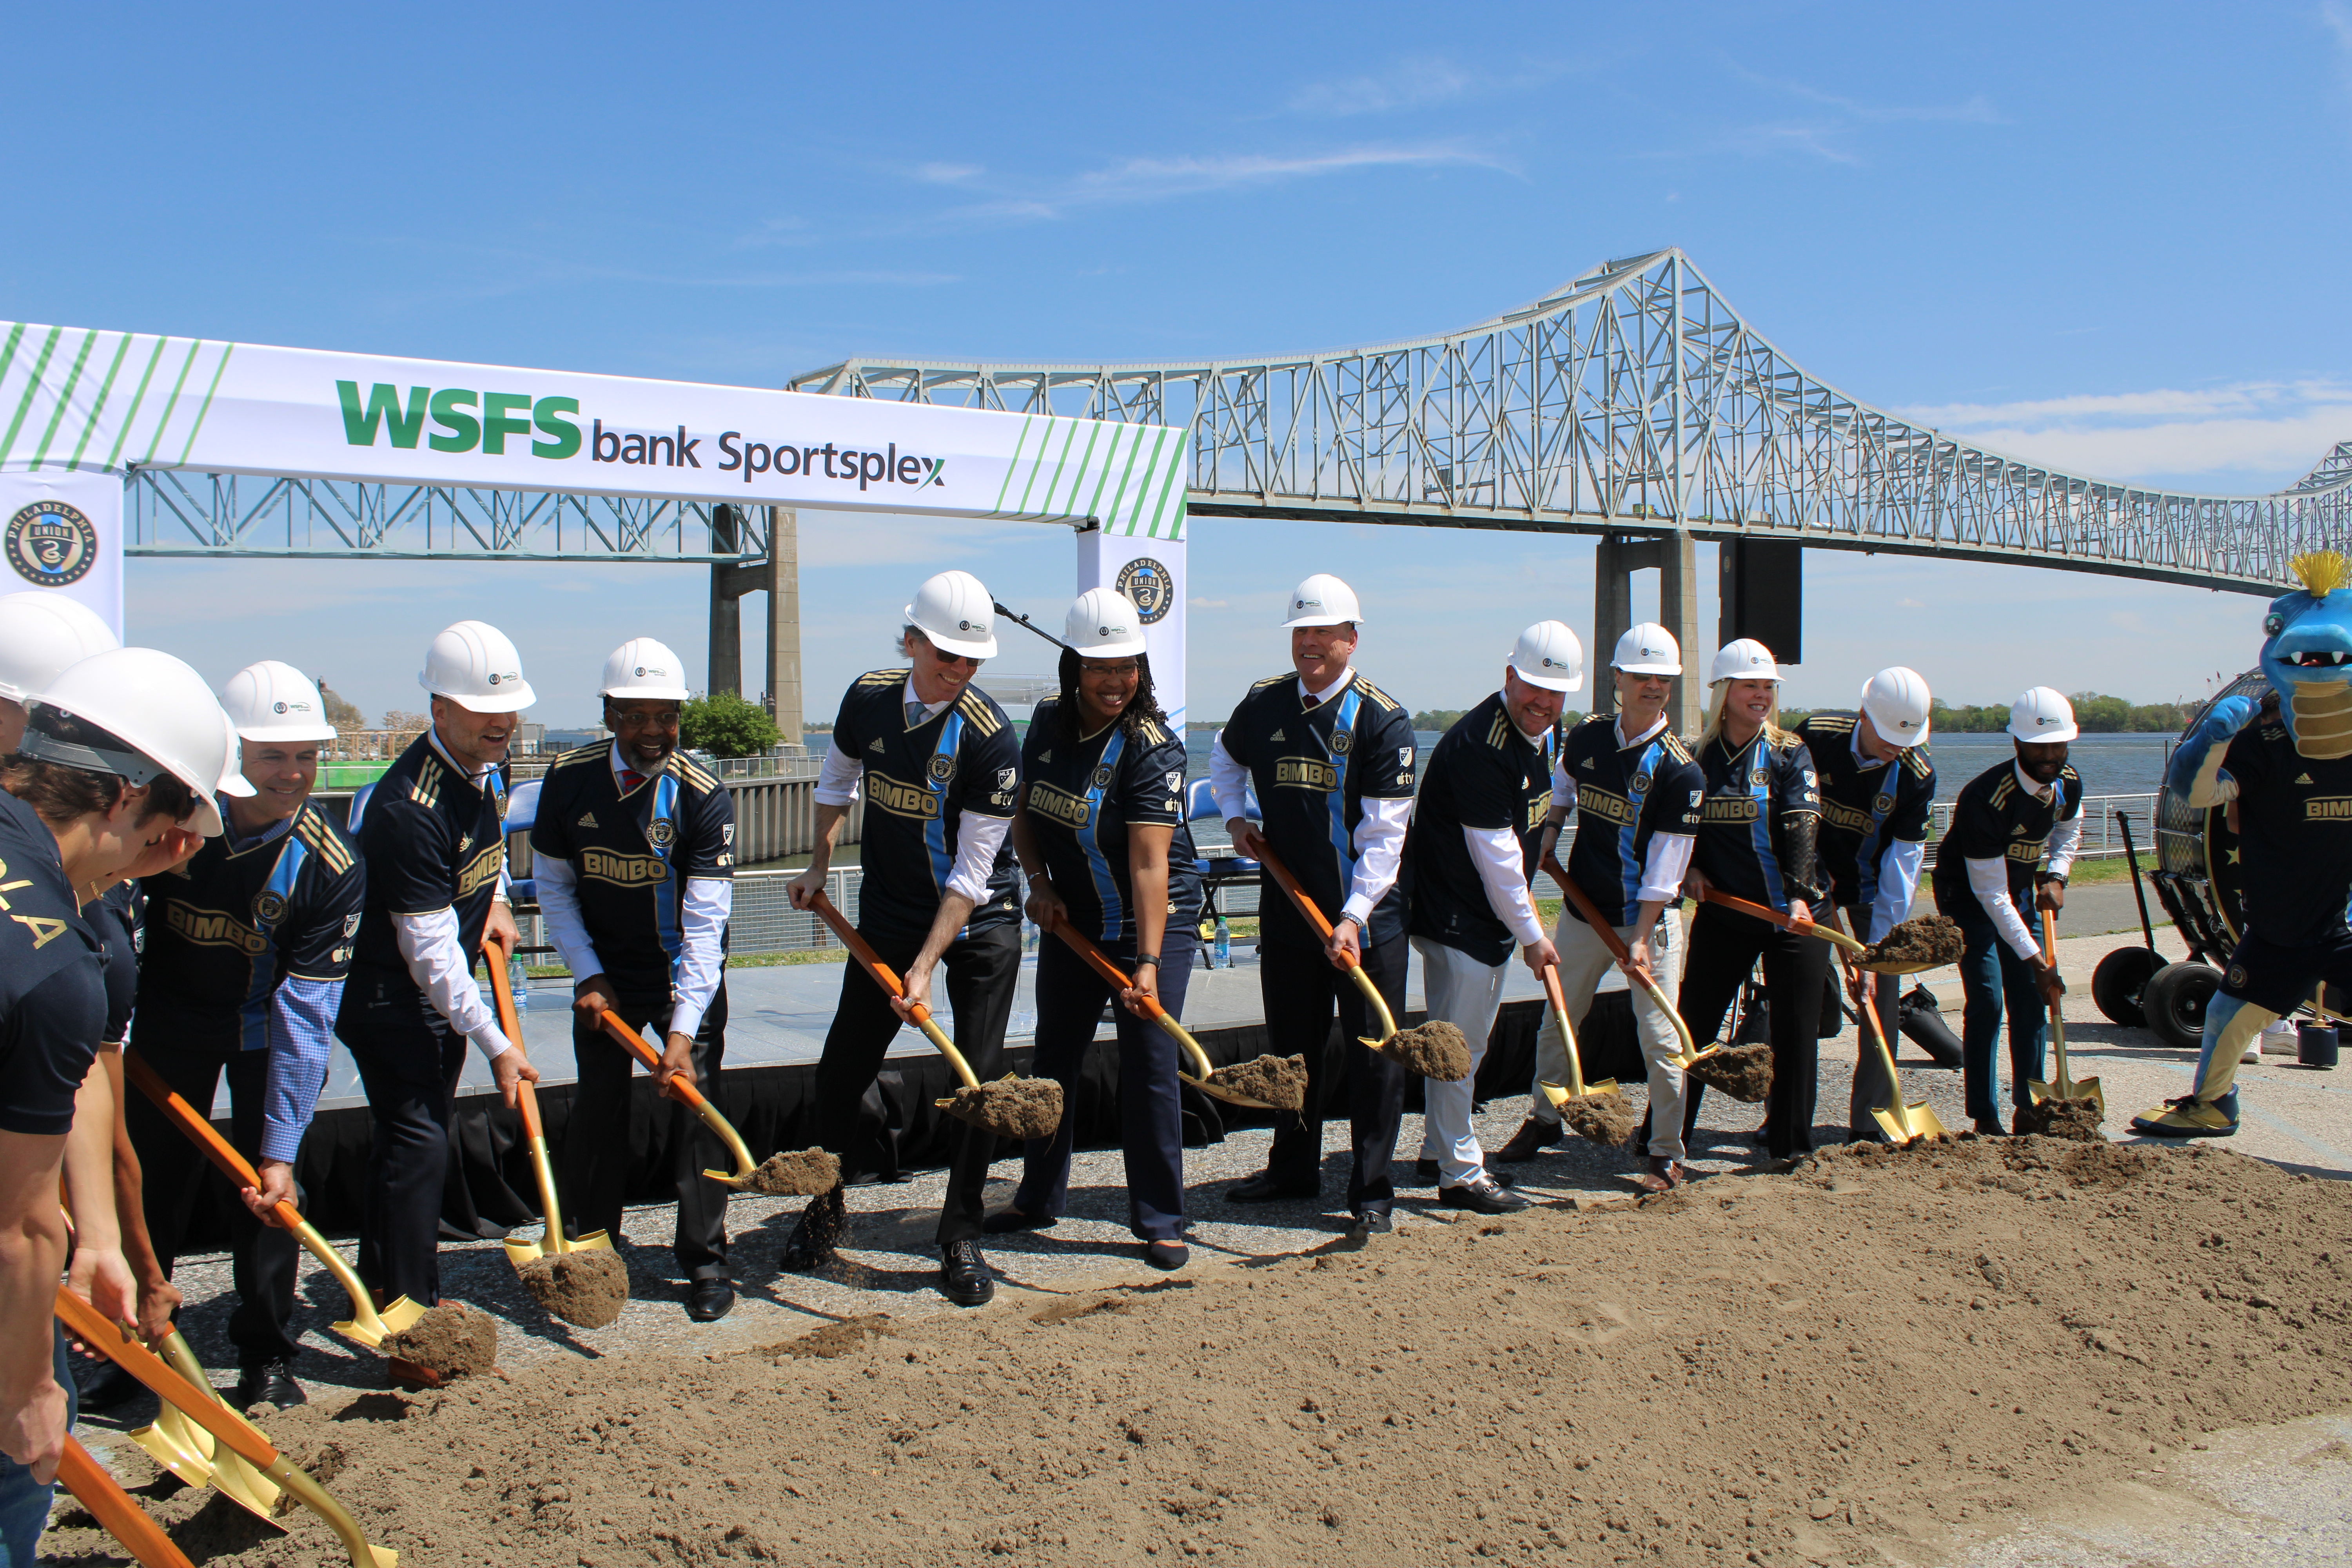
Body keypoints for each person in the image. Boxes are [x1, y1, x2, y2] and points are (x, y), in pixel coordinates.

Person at [1, 646, 234, 1561]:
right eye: (153, 842)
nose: (145, 868)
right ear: (123, 800)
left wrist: (97, 1238)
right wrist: (27, 1394)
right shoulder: (51, 968)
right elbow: (19, 1229)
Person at [123, 661, 363, 1408]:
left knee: (266, 1196)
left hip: (264, 1033)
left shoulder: (332, 866)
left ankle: (265, 1351)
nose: (291, 774)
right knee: (146, 1187)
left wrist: (281, 1149)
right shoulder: (174, 816)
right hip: (166, 1023)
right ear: (233, 751)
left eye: (305, 756)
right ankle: (136, 1347)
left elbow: (307, 1016)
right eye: (272, 755)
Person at [784, 571, 1023, 1307]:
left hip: (978, 920)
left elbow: (974, 871)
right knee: (838, 1073)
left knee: (976, 1084)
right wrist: (819, 861)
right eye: (945, 655)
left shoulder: (991, 739)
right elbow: (837, 775)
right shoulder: (868, 697)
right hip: (888, 914)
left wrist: (924, 968)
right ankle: (824, 1210)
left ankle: (960, 1235)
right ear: (912, 640)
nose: (958, 670)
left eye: (971, 660)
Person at [993, 589, 1203, 1267]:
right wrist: (1039, 884)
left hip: (1155, 919)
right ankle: (1037, 1196)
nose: (1116, 681)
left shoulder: (1154, 749)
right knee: (1054, 1053)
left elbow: (1149, 864)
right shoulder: (1050, 721)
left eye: (1128, 666)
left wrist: (1145, 962)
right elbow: (1024, 811)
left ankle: (1162, 1218)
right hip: (1075, 916)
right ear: (1073, 669)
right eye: (1100, 667)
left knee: (1149, 1062)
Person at [532, 637, 738, 1321]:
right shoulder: (568, 779)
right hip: (607, 978)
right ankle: (593, 1252)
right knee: (597, 1116)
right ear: (609, 712)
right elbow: (555, 891)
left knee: (696, 1116)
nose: (653, 731)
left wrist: (683, 1030)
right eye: (636, 716)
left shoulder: (704, 796)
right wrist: (588, 976)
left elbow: (707, 927)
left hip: (685, 976)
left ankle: (705, 1262)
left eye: (667, 716)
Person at [1209, 573, 1417, 1237]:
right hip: (1289, 913)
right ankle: (1292, 1167)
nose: (1312, 644)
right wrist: (1237, 820)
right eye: (1302, 633)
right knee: (1292, 1049)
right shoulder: (1265, 704)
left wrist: (1353, 918)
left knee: (1373, 1056)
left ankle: (1373, 1190)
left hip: (1368, 919)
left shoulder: (1384, 722)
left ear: (1352, 640)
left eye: (1326, 633)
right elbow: (1222, 759)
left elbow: (1385, 840)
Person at [339, 622, 536, 1315]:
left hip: (436, 989)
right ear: (440, 710)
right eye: (483, 712)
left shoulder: (490, 767)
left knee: (407, 1138)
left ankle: (376, 1290)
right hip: (388, 997)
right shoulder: (407, 810)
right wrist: (500, 1046)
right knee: (421, 1140)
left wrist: (500, 900)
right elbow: (430, 955)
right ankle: (413, 1312)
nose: (501, 724)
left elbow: (485, 850)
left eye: (508, 710)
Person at [2134, 552, 2352, 1137]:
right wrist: (2211, 739)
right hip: (2280, 929)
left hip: (2346, 920)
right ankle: (2212, 1103)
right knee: (2227, 1017)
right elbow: (2199, 792)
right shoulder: (2265, 737)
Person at [1496, 623, 1704, 1190]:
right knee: (1560, 1016)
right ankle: (1545, 1119)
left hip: (1648, 922)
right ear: (1618, 679)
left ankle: (1665, 1151)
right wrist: (1551, 832)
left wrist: (1640, 935)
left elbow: (1668, 866)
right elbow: (1562, 788)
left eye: (1663, 680)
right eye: (1642, 677)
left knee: (1662, 1039)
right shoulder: (1587, 737)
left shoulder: (1681, 772)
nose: (1653, 688)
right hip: (1584, 910)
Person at [1400, 622, 1583, 1215]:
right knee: (1462, 1046)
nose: (1544, 703)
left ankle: (1437, 1147)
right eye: (1533, 688)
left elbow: (1525, 830)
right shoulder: (1483, 745)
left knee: (1455, 1042)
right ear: (1509, 677)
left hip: (1480, 913)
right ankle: (1460, 1172)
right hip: (1460, 914)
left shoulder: (1542, 733)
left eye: (1556, 694)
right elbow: (1498, 858)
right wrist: (1534, 935)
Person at [1675, 639, 1829, 1169]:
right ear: (1723, 692)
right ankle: (1666, 1142)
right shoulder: (1696, 757)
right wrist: (1689, 867)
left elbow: (1802, 826)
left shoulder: (1791, 752)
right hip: (1727, 914)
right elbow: (1679, 828)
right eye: (1750, 686)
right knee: (1692, 1026)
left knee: (1795, 1033)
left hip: (1796, 916)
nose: (1761, 695)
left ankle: (1791, 1148)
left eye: (1768, 687)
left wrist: (1800, 896)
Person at [1792, 668, 1948, 1140]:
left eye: (1907, 739)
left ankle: (1872, 1120)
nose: (1897, 748)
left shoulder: (1917, 775)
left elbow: (1903, 868)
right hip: (1808, 881)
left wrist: (1877, 951)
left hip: (1869, 891)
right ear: (1864, 715)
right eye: (1888, 738)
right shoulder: (1816, 736)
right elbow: (1790, 812)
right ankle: (1788, 1117)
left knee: (1878, 994)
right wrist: (1806, 881)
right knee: (1799, 994)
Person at [1930, 687, 2080, 1135]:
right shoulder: (1986, 799)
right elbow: (1990, 894)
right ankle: (1985, 1115)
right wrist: (2037, 961)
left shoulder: (2068, 781)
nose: (2051, 755)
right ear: (2017, 743)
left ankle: (2029, 1107)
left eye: (2059, 745)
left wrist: (2056, 874)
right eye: (2040, 746)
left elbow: (2069, 829)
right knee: (1989, 1001)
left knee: (2032, 1001)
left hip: (2017, 893)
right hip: (1967, 898)